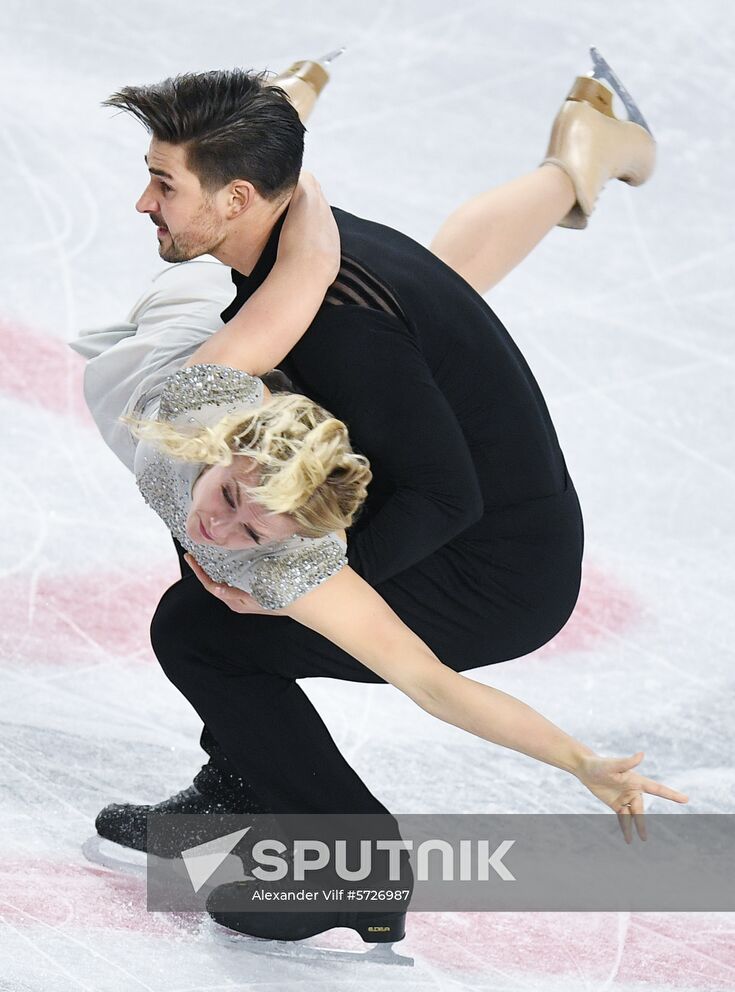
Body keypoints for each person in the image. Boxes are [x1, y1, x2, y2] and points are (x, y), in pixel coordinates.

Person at [71, 60, 687, 946]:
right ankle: (248, 775)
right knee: (221, 520)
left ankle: (346, 858)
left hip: (490, 568)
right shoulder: (292, 252)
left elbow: (445, 499)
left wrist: (306, 578)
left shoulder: (334, 320)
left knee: (202, 626)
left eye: (163, 184)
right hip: (444, 500)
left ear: (240, 197)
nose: (144, 203)